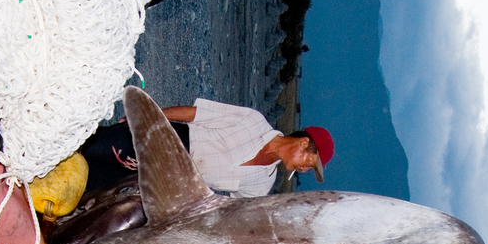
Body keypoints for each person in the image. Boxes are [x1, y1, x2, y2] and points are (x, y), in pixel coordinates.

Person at [80, 97, 335, 197]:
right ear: (303, 143)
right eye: (309, 162)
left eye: (308, 169)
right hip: (164, 142)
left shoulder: (262, 185)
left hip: (168, 183)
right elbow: (195, 114)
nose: (304, 170)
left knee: (93, 189)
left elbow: (228, 215)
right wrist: (148, 114)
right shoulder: (253, 121)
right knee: (90, 148)